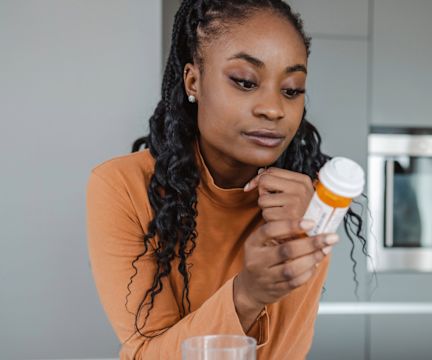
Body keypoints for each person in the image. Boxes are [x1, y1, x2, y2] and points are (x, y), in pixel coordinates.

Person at [86, 1, 365, 359]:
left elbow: (287, 352)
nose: (274, 108)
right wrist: (246, 294)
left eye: (292, 89)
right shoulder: (122, 186)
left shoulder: (308, 203)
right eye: (246, 82)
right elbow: (147, 353)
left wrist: (303, 232)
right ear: (193, 80)